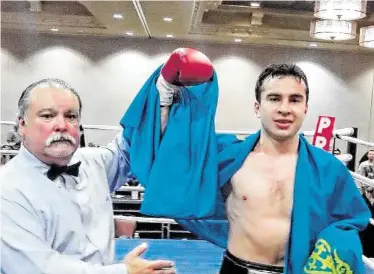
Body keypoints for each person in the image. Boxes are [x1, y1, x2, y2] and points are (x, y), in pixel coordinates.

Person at [127, 63, 370, 273]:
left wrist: (333, 253)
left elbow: (351, 221)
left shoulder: (328, 169)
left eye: (295, 100)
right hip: (238, 268)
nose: (285, 108)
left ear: (305, 108)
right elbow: (174, 154)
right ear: (257, 107)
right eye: (274, 98)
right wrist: (166, 92)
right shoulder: (230, 157)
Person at [0, 48, 213, 274]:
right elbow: (35, 268)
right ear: (21, 124)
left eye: (71, 116)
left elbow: (136, 144)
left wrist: (164, 92)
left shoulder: (93, 163)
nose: (61, 125)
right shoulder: (8, 190)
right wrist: (123, 272)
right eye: (47, 116)